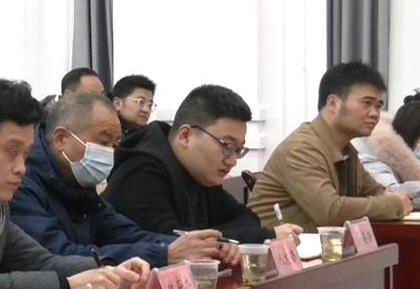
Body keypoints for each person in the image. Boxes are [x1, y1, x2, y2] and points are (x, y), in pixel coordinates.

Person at [0, 77, 148, 289]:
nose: (21, 168)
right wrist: (66, 285)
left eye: (26, 154)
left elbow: (43, 262)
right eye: (12, 152)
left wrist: (108, 270)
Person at [11, 91, 226, 268]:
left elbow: (125, 233)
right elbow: (59, 255)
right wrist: (163, 254)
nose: (109, 154)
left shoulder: (80, 180)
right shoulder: (20, 183)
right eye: (103, 142)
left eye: (115, 145)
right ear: (61, 139)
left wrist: (198, 246)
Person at [104, 85, 304, 246]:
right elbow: (176, 245)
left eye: (238, 149)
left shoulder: (199, 171)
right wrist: (265, 236)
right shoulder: (141, 171)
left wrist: (221, 235)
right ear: (185, 136)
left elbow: (247, 218)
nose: (232, 161)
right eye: (226, 146)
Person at [248, 62, 415, 228]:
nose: (375, 114)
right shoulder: (301, 148)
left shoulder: (346, 150)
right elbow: (330, 212)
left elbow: (378, 192)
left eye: (378, 106)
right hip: (270, 244)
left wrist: (393, 199)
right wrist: (395, 204)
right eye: (366, 103)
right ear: (333, 103)